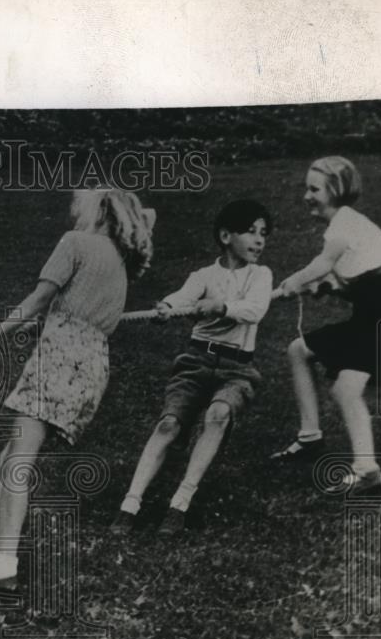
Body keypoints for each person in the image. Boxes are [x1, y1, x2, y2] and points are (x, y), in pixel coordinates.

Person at [0, 189, 156, 592]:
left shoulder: (76, 243)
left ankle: (3, 569)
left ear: (96, 210)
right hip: (91, 364)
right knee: (11, 454)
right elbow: (148, 217)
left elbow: (38, 300)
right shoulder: (122, 257)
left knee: (19, 458)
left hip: (59, 356)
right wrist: (128, 213)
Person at [270, 156, 381, 493]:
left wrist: (294, 281)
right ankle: (310, 437)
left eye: (314, 189)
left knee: (346, 389)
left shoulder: (344, 223)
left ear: (336, 191)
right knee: (299, 350)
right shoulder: (345, 230)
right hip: (375, 310)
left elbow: (324, 263)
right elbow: (353, 282)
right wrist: (328, 287)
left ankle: (367, 471)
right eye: (307, 188)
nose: (306, 196)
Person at [114, 200, 273, 537]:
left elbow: (255, 310)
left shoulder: (262, 275)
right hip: (196, 360)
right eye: (251, 232)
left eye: (264, 234)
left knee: (217, 414)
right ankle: (130, 502)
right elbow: (183, 296)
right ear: (226, 236)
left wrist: (221, 306)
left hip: (237, 367)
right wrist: (167, 307)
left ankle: (180, 502)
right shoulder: (204, 276)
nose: (259, 240)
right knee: (169, 425)